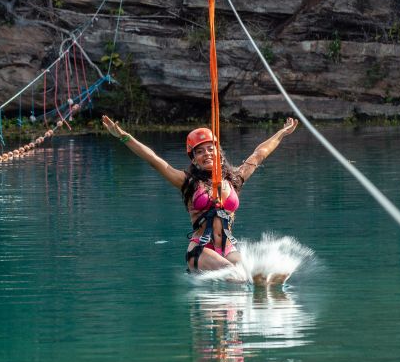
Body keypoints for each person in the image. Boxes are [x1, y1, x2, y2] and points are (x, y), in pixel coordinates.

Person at [101, 115, 298, 273]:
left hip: (228, 248)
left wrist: (281, 132)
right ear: (194, 160)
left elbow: (260, 153)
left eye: (211, 149)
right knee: (238, 275)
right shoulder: (189, 183)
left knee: (256, 273)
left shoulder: (234, 180)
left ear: (219, 154)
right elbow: (153, 159)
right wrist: (122, 135)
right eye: (200, 152)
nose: (207, 154)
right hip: (201, 250)